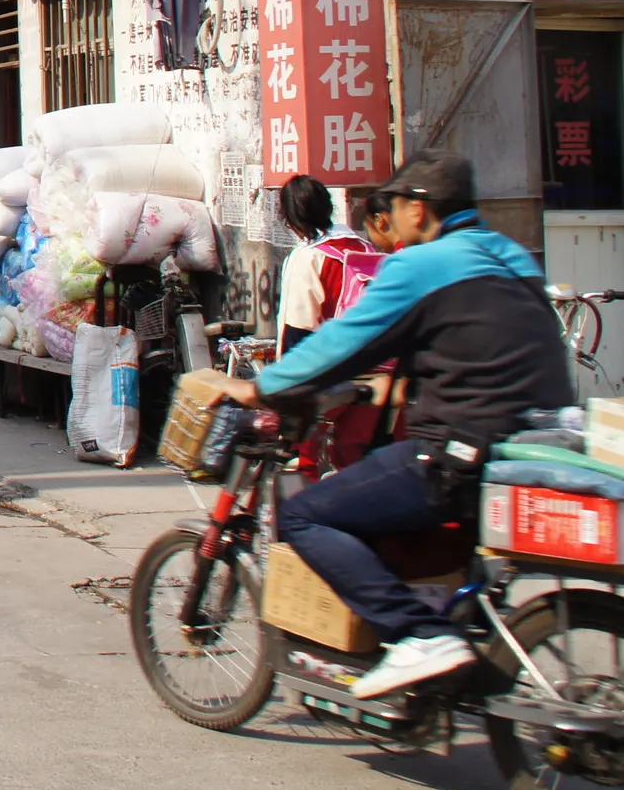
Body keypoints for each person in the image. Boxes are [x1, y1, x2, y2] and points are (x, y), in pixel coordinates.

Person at [202, 154, 572, 699]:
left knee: (303, 515)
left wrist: (261, 388)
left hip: (458, 451)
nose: (389, 221)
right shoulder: (513, 257)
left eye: (393, 207)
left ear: (417, 209)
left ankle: (420, 635)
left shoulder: (421, 264)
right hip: (530, 449)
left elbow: (341, 343)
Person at [274, 175, 383, 356]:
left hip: (329, 361)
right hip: (370, 356)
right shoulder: (364, 247)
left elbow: (298, 328)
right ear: (328, 207)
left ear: (289, 217)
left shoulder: (307, 257)